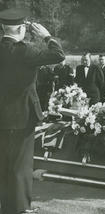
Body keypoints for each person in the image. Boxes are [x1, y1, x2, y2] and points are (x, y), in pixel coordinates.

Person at [0, 8, 65, 214]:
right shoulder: (26, 51)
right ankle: (20, 209)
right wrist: (46, 36)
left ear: (2, 28)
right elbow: (58, 55)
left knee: (4, 165)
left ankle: (7, 206)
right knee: (21, 166)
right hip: (23, 116)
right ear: (22, 28)